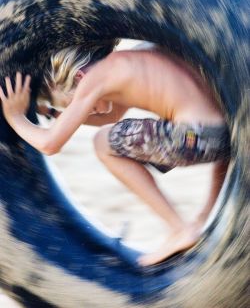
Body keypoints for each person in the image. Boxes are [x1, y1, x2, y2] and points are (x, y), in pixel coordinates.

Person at [0, 42, 230, 266]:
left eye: (78, 105)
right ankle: (204, 217)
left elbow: (51, 144)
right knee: (111, 134)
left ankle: (179, 228)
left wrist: (16, 118)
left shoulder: (94, 79)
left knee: (102, 143)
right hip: (226, 136)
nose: (92, 110)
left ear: (80, 77)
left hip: (193, 137)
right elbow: (111, 115)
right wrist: (53, 112)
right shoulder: (128, 61)